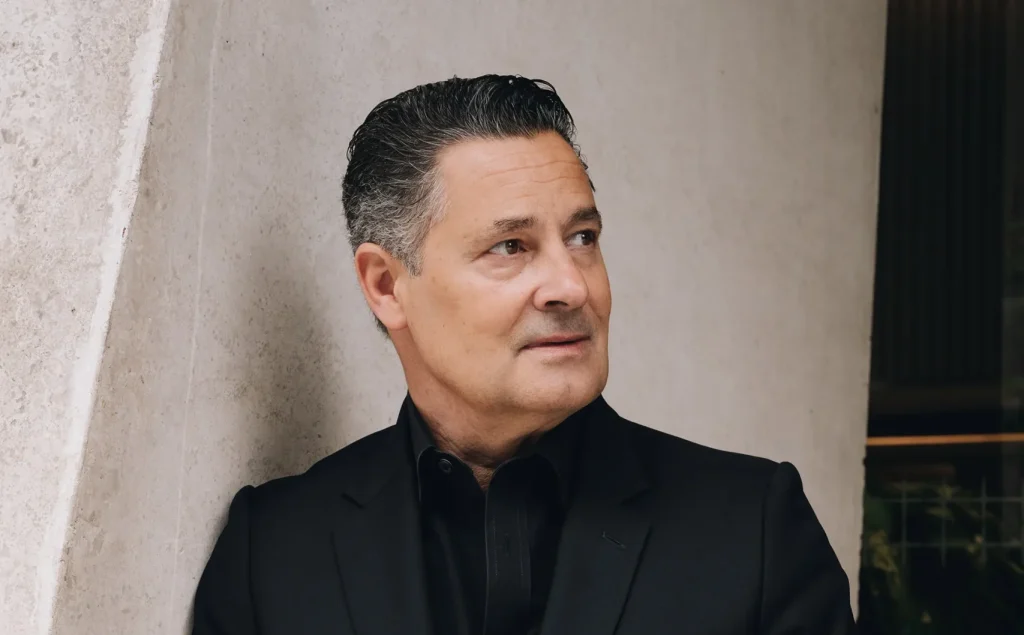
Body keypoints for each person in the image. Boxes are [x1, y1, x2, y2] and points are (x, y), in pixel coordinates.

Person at [192, 74, 856, 635]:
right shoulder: (273, 550)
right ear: (388, 286)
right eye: (510, 246)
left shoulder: (752, 529)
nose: (573, 286)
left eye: (583, 236)